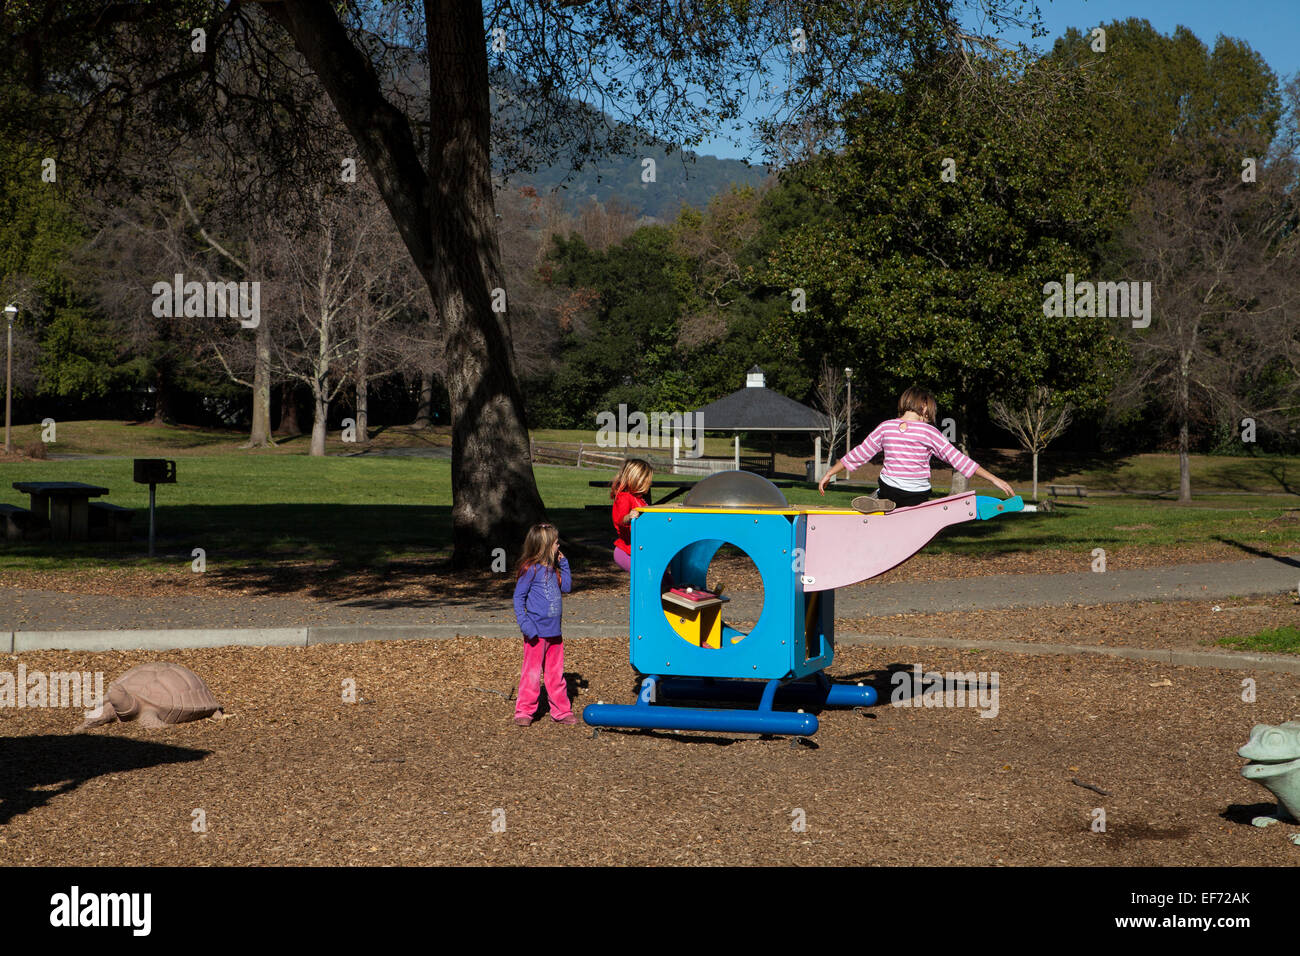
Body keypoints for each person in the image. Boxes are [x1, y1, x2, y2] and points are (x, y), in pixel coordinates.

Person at [818, 386, 1014, 511]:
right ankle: (892, 503)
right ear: (925, 408)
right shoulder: (929, 432)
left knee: (886, 485)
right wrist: (995, 479)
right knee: (916, 494)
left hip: (891, 488)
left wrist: (830, 473)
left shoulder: (886, 427)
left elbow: (859, 454)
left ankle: (881, 499)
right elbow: (959, 460)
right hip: (917, 494)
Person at [512, 522, 576, 726]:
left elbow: (566, 587)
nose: (559, 546)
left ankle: (561, 710)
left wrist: (564, 564)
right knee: (531, 674)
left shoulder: (553, 570)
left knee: (555, 674)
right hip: (535, 633)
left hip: (554, 633)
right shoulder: (530, 570)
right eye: (556, 543)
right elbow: (518, 598)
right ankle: (524, 711)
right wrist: (525, 624)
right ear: (545, 546)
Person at [610, 458, 653, 572]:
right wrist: (629, 516)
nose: (650, 484)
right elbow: (620, 520)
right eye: (647, 481)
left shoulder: (640, 500)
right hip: (626, 552)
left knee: (662, 578)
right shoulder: (624, 497)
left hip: (638, 550)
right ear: (637, 479)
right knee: (646, 575)